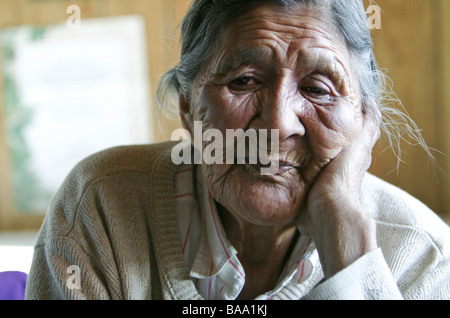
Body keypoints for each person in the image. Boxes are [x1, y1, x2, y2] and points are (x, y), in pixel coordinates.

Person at [25, 0, 450, 300]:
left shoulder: (423, 258)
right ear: (189, 108)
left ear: (362, 122)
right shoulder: (101, 208)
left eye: (318, 88)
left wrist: (352, 258)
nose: (279, 124)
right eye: (244, 81)